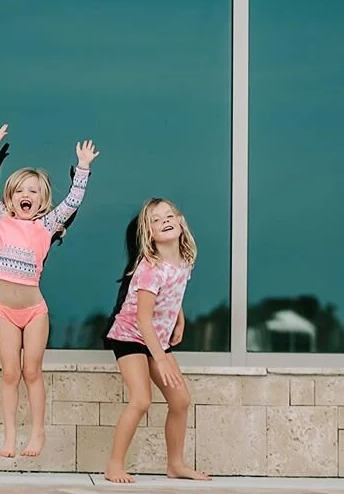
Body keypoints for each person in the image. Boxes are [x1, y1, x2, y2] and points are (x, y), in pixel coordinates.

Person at [0, 123, 98, 458]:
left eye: (33, 191)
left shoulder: (45, 226)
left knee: (31, 371)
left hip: (33, 313)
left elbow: (73, 200)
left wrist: (83, 168)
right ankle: (10, 435)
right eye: (19, 191)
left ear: (42, 199)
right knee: (10, 374)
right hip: (5, 312)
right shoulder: (1, 219)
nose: (25, 196)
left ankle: (38, 432)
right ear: (11, 198)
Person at [104, 198, 210, 484]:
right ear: (148, 233)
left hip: (157, 339)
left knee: (181, 400)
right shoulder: (150, 268)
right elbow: (143, 319)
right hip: (130, 336)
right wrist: (160, 359)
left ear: (180, 221)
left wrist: (179, 317)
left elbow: (173, 295)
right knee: (141, 399)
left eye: (169, 215)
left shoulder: (184, 261)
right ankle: (114, 465)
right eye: (156, 219)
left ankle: (175, 464)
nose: (164, 220)